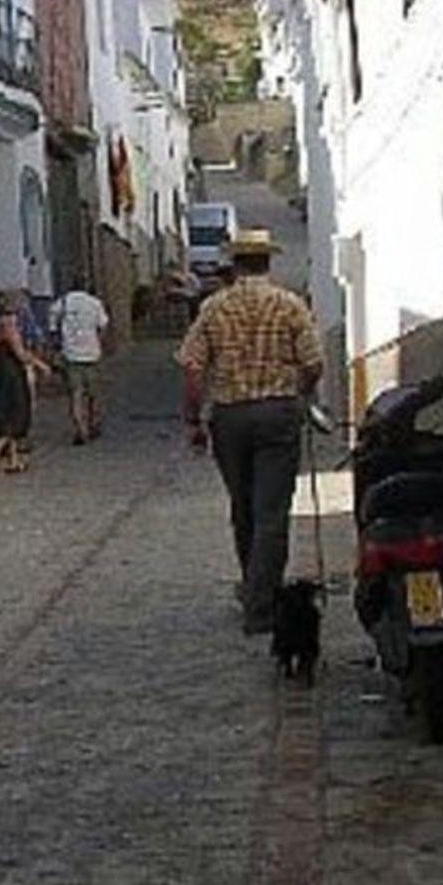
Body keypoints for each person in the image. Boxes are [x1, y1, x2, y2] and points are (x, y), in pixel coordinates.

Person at [175, 228, 323, 636]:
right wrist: (301, 394)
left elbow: (191, 366)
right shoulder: (290, 305)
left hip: (230, 417)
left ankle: (253, 589)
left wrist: (193, 418)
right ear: (268, 262)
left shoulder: (214, 307)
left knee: (243, 507)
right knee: (272, 512)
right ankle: (262, 602)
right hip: (278, 413)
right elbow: (313, 363)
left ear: (235, 263)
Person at [0, 289, 53, 474]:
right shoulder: (9, 323)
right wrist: (41, 365)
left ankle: (13, 460)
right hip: (9, 373)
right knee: (16, 412)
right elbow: (19, 353)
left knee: (7, 411)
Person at [49, 277, 110, 445]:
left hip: (71, 354)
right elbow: (103, 327)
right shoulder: (95, 303)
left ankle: (80, 429)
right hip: (91, 353)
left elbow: (53, 330)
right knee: (93, 394)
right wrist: (99, 343)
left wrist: (57, 349)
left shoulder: (61, 303)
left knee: (75, 394)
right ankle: (93, 423)